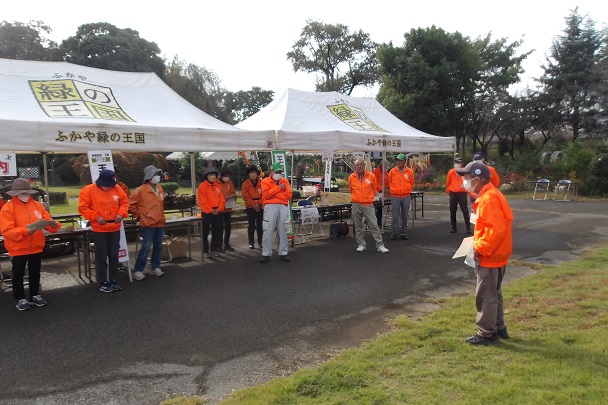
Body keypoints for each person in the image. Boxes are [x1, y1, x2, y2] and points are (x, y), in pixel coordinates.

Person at [456, 161, 513, 345]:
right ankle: (498, 327)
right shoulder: (489, 195)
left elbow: (495, 231)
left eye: (466, 177)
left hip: (490, 255)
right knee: (494, 293)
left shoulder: (489, 198)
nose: (464, 180)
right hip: (497, 254)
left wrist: (478, 249)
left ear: (477, 179)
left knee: (486, 295)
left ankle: (487, 333)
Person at [0, 178, 62, 310]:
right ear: (15, 194)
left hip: (36, 246)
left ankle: (35, 295)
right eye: (23, 193)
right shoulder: (8, 208)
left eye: (27, 192)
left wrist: (54, 225)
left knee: (35, 272)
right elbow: (6, 231)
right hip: (18, 247)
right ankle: (20, 298)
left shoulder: (37, 205)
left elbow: (47, 220)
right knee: (18, 274)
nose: (25, 195)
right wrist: (26, 231)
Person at [78, 169, 129, 293]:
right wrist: (96, 217)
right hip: (100, 228)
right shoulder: (88, 190)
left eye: (109, 185)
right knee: (101, 257)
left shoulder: (117, 188)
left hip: (115, 227)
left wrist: (121, 214)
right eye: (105, 185)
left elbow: (125, 203)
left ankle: (114, 280)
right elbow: (83, 208)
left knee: (113, 256)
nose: (107, 188)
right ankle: (103, 282)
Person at [128, 165, 166, 281]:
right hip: (148, 224)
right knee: (145, 247)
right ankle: (138, 270)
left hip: (159, 222)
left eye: (158, 174)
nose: (157, 177)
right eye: (155, 174)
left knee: (158, 246)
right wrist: (139, 215)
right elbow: (130, 204)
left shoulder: (159, 188)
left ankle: (155, 267)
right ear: (149, 177)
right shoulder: (140, 190)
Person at [348, 159, 389, 253]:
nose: (359, 166)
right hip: (356, 203)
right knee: (358, 226)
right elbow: (351, 190)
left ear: (364, 166)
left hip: (368, 204)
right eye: (357, 165)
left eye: (361, 164)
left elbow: (374, 189)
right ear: (355, 167)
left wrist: (368, 198)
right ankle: (361, 244)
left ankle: (380, 245)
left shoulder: (371, 176)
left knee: (374, 224)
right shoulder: (351, 177)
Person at [260, 162, 292, 263]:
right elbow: (267, 195)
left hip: (282, 206)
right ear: (271, 171)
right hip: (270, 207)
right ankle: (266, 254)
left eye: (279, 171)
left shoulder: (285, 181)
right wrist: (279, 189)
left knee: (283, 229)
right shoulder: (265, 181)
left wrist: (276, 195)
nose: (278, 173)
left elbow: (289, 195)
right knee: (267, 229)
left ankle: (283, 252)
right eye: (276, 171)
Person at [197, 167, 225, 258]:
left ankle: (214, 249)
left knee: (217, 230)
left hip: (218, 211)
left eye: (214, 174)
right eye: (210, 175)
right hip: (207, 212)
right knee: (205, 232)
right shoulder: (202, 186)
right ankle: (205, 250)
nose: (212, 176)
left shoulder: (218, 186)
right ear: (206, 176)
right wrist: (210, 210)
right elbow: (202, 201)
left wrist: (219, 209)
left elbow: (222, 199)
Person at [388, 153, 415, 240]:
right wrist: (394, 190)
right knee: (395, 216)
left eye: (400, 160)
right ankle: (394, 233)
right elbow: (390, 182)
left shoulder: (409, 171)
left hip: (406, 196)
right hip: (395, 196)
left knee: (405, 215)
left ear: (404, 161)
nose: (398, 162)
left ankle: (404, 233)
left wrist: (406, 190)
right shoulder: (392, 171)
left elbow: (411, 183)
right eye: (397, 160)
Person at [445, 157, 471, 234]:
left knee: (465, 210)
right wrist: (449, 190)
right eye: (456, 162)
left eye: (458, 163)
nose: (457, 164)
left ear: (462, 164)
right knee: (452, 210)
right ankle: (453, 227)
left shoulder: (465, 171)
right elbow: (447, 182)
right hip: (453, 192)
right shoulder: (451, 171)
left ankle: (468, 227)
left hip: (462, 192)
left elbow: (468, 181)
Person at [242, 165, 264, 249]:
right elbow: (245, 196)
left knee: (260, 224)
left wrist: (259, 203)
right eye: (251, 173)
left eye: (254, 172)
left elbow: (264, 194)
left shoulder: (262, 183)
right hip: (250, 207)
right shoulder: (245, 184)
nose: (253, 174)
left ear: (257, 173)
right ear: (248, 174)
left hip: (260, 206)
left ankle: (261, 241)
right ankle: (251, 242)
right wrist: (254, 204)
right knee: (251, 225)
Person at [219, 168, 237, 252]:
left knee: (228, 227)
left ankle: (227, 244)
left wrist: (233, 196)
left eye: (229, 176)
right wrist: (223, 198)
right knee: (219, 227)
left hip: (228, 208)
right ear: (221, 176)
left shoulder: (230, 182)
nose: (227, 178)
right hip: (220, 209)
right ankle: (219, 245)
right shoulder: (216, 183)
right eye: (226, 176)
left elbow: (233, 192)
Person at [372, 160, 390, 227]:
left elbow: (387, 181)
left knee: (381, 207)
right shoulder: (375, 172)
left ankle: (379, 220)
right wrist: (383, 189)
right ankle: (376, 221)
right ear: (381, 165)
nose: (385, 169)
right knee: (379, 206)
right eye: (385, 167)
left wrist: (388, 188)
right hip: (376, 192)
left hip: (382, 192)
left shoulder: (385, 172)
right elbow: (375, 184)